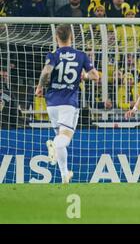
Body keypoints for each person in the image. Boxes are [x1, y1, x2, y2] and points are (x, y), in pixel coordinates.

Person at [35, 25, 99, 183]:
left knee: (60, 138)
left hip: (51, 103)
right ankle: (53, 145)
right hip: (68, 103)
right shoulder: (81, 55)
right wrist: (83, 75)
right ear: (72, 37)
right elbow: (95, 76)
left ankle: (64, 175)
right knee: (64, 139)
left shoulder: (53, 55)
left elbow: (46, 71)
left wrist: (39, 87)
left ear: (57, 38)